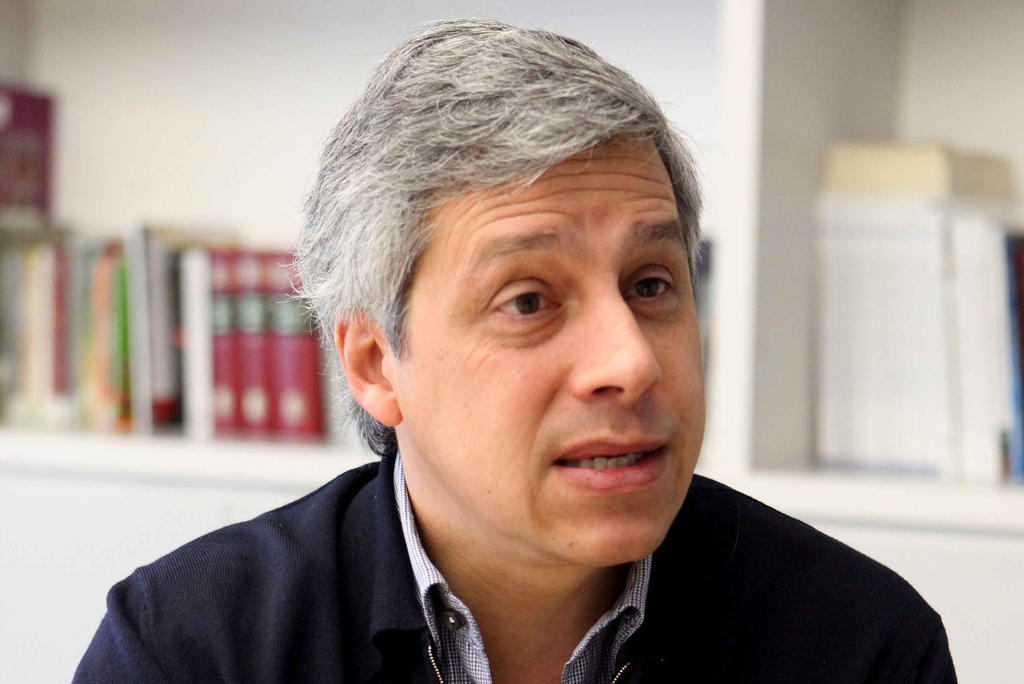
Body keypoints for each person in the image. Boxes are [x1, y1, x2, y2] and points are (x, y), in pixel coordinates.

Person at [74, 19, 956, 684]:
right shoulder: (190, 651)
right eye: (528, 301)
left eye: (652, 284)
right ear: (375, 362)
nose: (632, 362)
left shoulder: (860, 647)